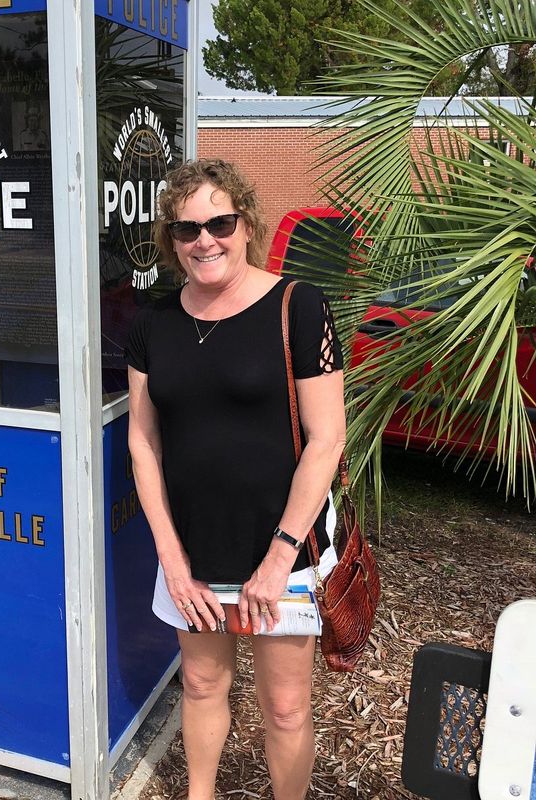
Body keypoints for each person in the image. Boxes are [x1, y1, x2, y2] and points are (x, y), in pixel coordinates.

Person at [125, 159, 346, 800]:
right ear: (171, 240)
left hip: (283, 550)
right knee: (200, 685)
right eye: (186, 228)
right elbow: (143, 443)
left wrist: (279, 559)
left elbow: (327, 439)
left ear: (246, 224)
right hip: (193, 551)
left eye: (220, 223)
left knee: (285, 708)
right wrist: (171, 559)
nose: (205, 240)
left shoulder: (299, 307)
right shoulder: (152, 324)